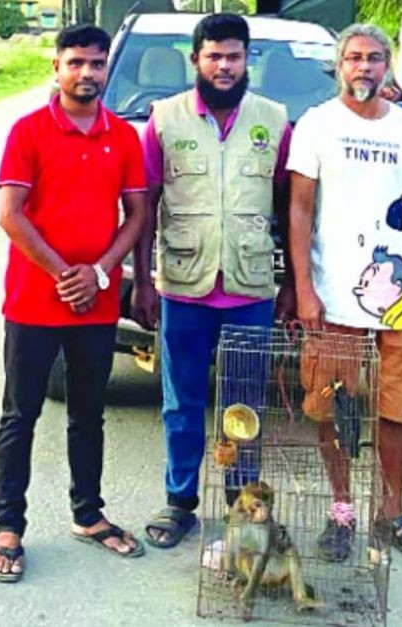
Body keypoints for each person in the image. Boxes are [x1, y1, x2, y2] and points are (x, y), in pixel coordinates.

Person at [0, 24, 148, 583]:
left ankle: (88, 514)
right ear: (55, 68)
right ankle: (8, 525)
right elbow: (11, 215)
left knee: (88, 415)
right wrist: (65, 275)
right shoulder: (29, 131)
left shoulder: (123, 137)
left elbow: (137, 216)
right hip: (33, 304)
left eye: (97, 63)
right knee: (20, 416)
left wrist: (100, 273)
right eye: (76, 62)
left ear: (108, 69)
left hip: (97, 309)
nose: (87, 73)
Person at [132, 13, 291, 548]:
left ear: (248, 61)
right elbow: (145, 201)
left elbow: (289, 205)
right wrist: (144, 279)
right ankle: (179, 502)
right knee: (182, 399)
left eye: (234, 56)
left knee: (244, 401)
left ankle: (242, 501)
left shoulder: (275, 119)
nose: (224, 66)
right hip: (183, 283)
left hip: (249, 287)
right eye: (214, 56)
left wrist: (289, 281)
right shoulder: (164, 119)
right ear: (196, 59)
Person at [288, 23, 402, 563]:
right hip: (333, 296)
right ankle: (342, 511)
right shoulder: (316, 125)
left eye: (375, 58)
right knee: (331, 408)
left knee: (399, 408)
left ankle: (392, 513)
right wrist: (304, 288)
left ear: (387, 67)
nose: (364, 68)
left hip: (397, 301)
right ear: (339, 65)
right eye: (354, 57)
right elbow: (300, 208)